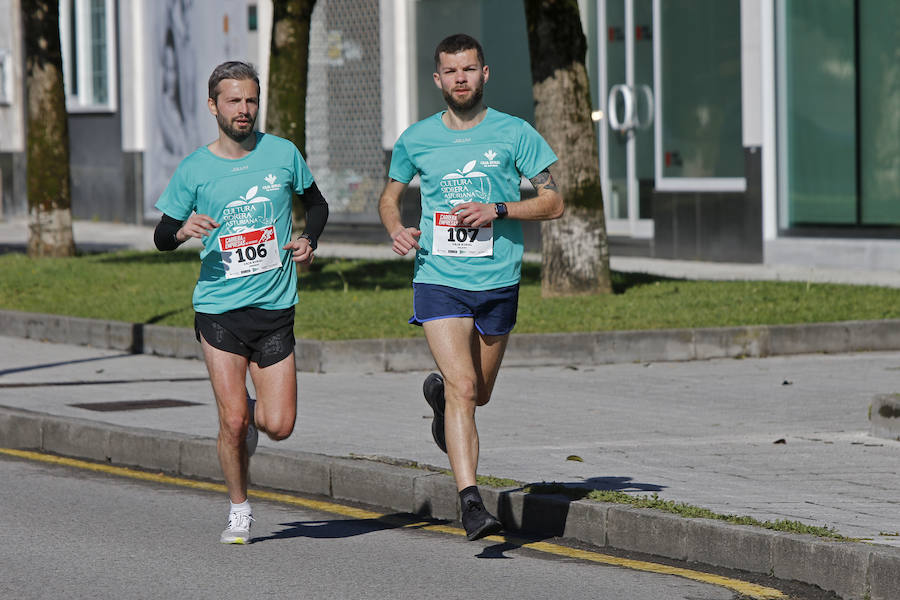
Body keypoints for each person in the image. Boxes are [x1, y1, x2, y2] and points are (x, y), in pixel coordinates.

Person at [378, 34, 564, 541]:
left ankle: (441, 402)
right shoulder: (416, 139)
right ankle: (471, 503)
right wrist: (397, 228)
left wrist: (498, 209)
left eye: (469, 69)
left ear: (485, 74)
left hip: (499, 279)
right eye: (451, 71)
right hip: (439, 278)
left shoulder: (516, 133)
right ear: (438, 80)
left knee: (477, 393)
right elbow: (390, 198)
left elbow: (554, 203)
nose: (460, 78)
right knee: (464, 387)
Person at [153, 61, 328, 544]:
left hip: (274, 308)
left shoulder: (282, 153)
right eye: (234, 101)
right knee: (232, 420)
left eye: (251, 100)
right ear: (214, 106)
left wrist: (309, 239)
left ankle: (250, 416)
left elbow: (317, 204)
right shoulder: (195, 167)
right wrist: (183, 230)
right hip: (219, 310)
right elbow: (162, 234)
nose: (244, 110)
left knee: (279, 426)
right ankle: (239, 509)